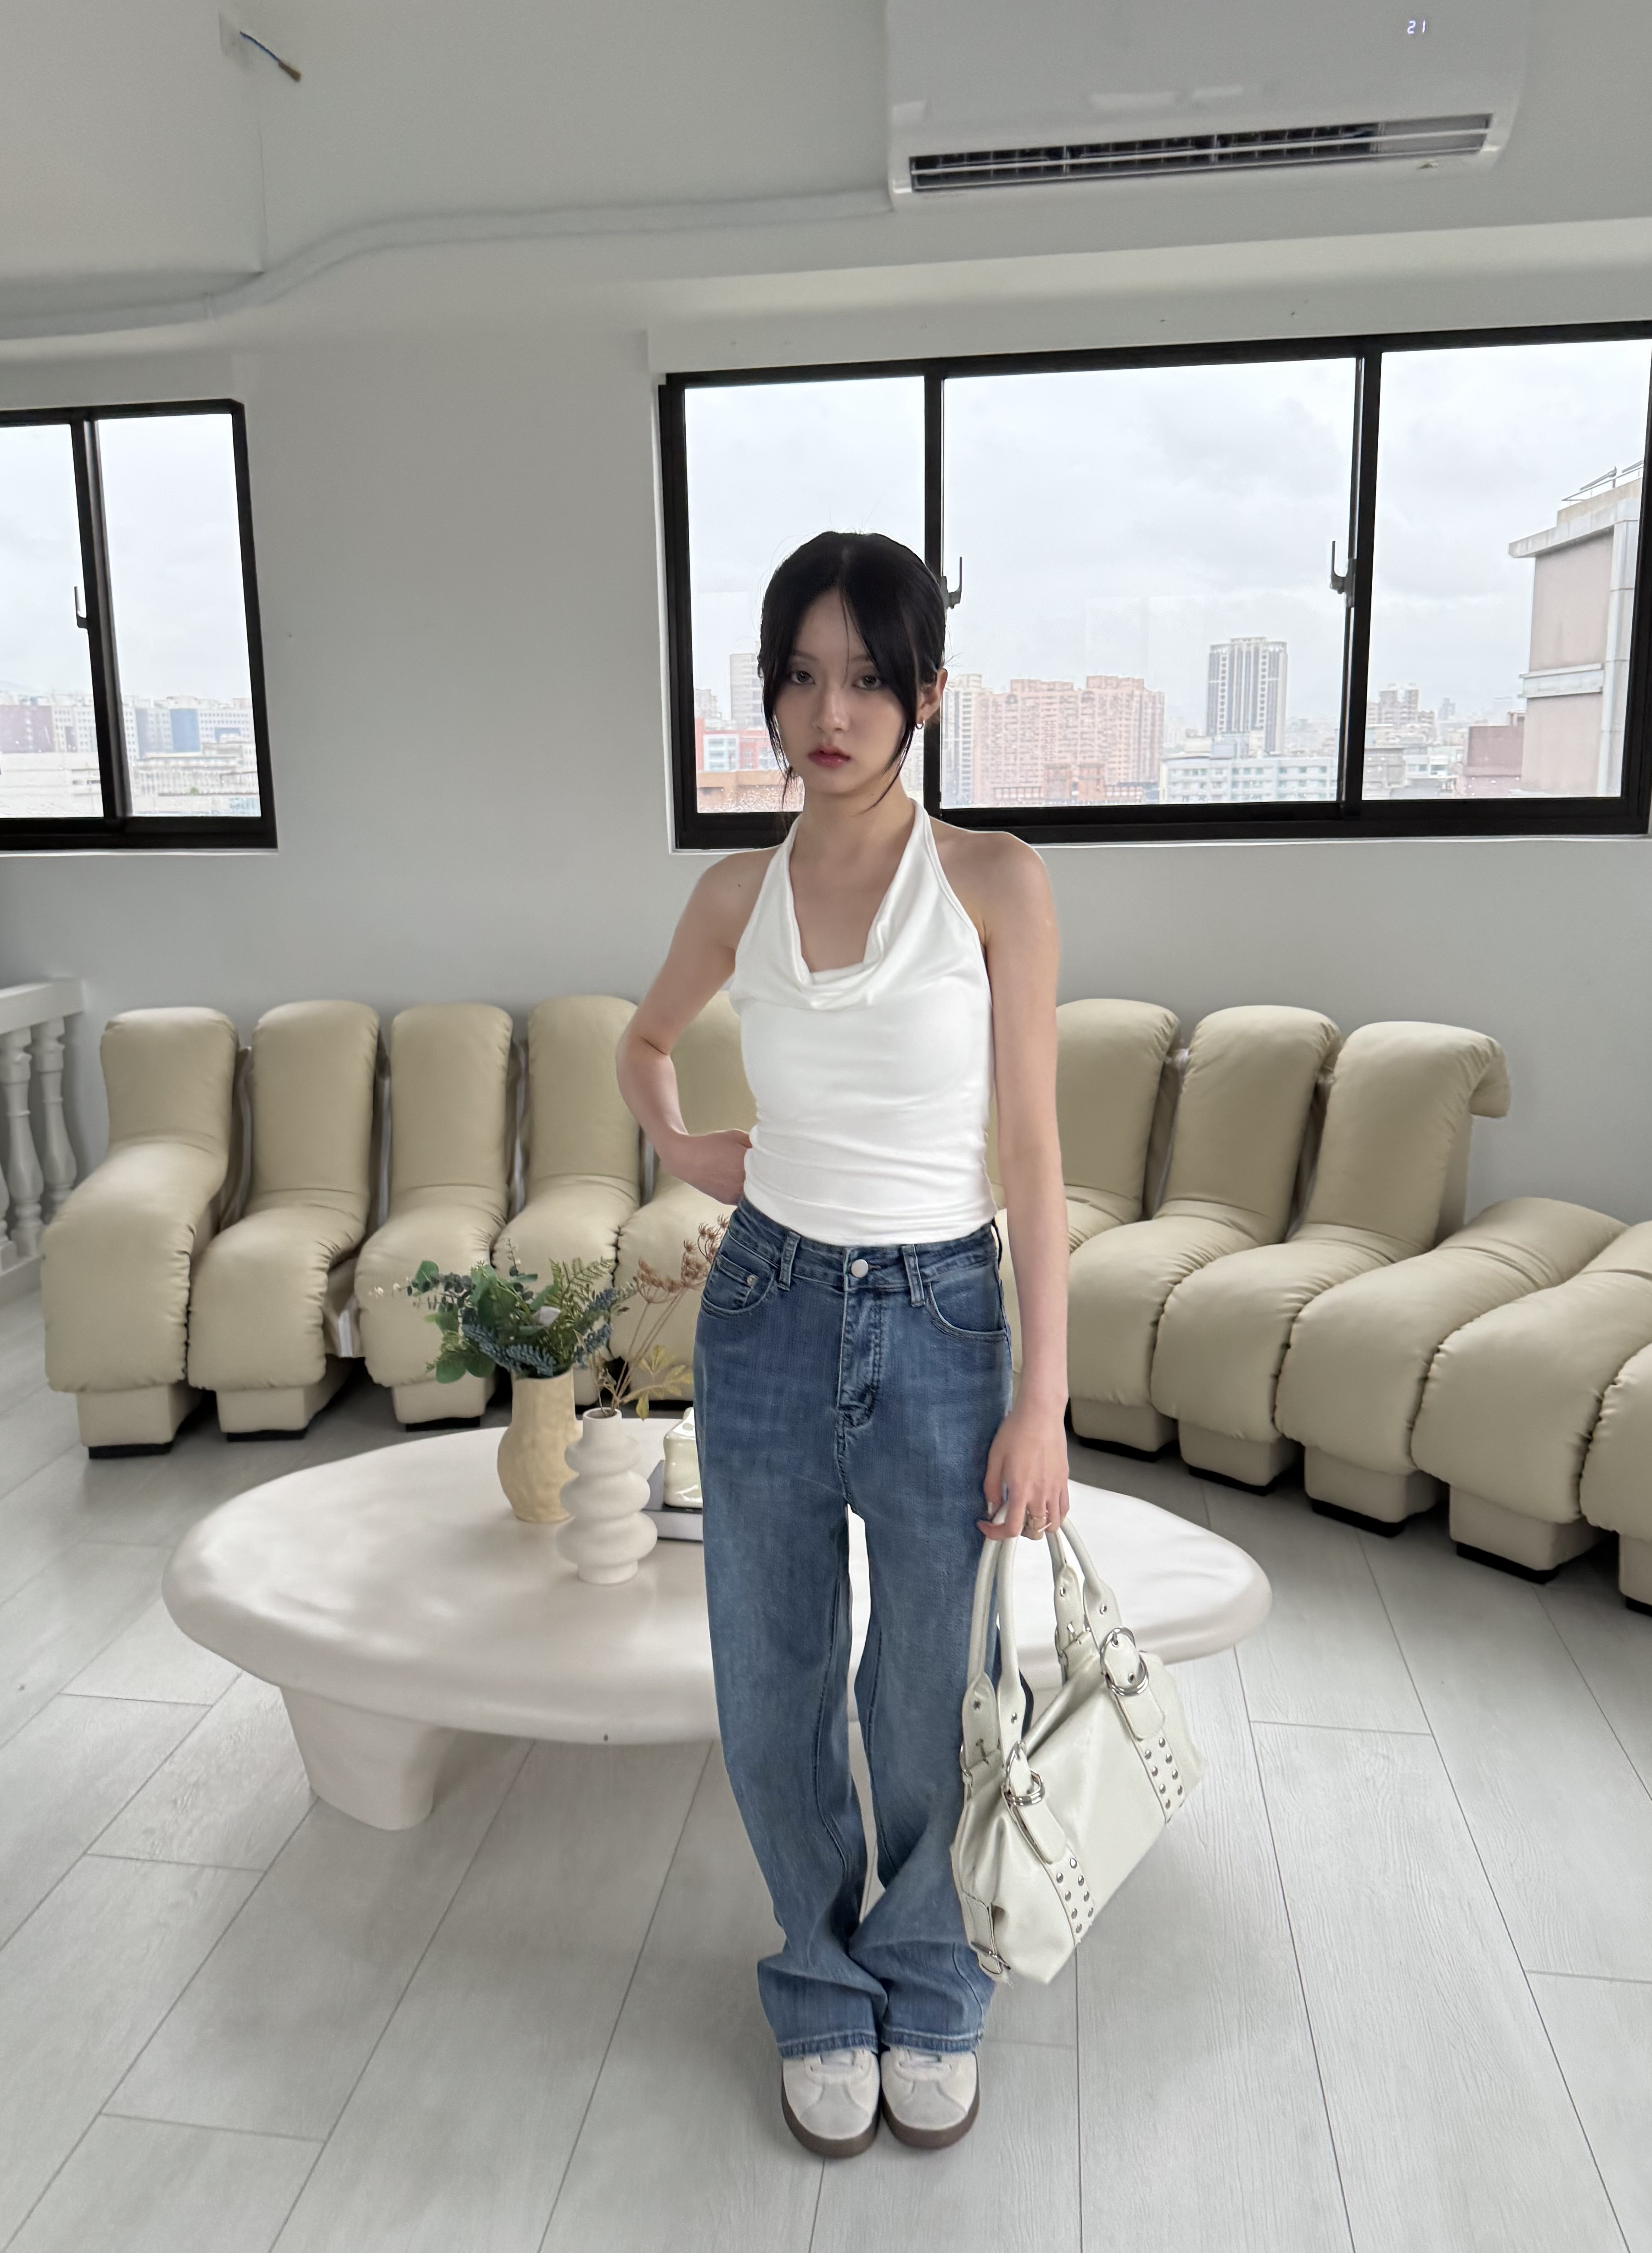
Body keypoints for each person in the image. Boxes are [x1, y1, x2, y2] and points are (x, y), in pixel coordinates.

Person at [615, 530, 1070, 2157]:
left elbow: (1032, 1147)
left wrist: (1043, 1399)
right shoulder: (732, 892)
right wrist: (687, 1148)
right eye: (801, 676)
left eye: (868, 677)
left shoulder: (994, 881)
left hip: (943, 1313)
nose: (830, 711)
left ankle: (928, 1971)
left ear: (926, 692)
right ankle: (817, 1974)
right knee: (773, 1677)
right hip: (764, 1307)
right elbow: (644, 1041)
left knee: (931, 1682)